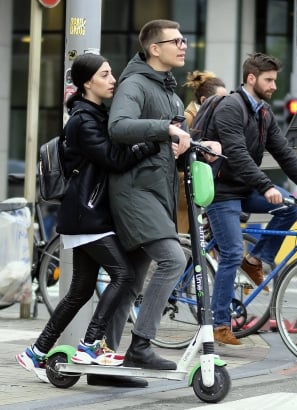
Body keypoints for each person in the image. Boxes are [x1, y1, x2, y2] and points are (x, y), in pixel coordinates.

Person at [15, 53, 159, 381]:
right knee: (124, 276)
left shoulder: (93, 114)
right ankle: (91, 344)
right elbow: (114, 159)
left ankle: (35, 352)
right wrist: (151, 144)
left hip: (85, 213)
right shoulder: (83, 120)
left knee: (80, 291)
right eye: (106, 74)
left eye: (112, 74)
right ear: (87, 83)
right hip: (86, 214)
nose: (113, 80)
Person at [106, 19, 221, 371]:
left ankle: (105, 353)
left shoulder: (169, 92)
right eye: (176, 40)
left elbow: (177, 147)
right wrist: (165, 129)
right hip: (134, 190)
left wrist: (202, 148)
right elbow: (118, 127)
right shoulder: (136, 83)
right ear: (155, 48)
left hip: (158, 192)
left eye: (184, 39)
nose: (184, 45)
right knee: (173, 258)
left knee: (132, 278)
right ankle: (140, 345)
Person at [205, 52, 297, 346]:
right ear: (251, 78)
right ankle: (219, 324)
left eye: (275, 80)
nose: (274, 86)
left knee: (289, 208)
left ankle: (256, 259)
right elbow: (236, 153)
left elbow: (284, 152)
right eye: (269, 80)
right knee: (231, 252)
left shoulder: (263, 113)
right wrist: (264, 185)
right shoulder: (231, 108)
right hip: (221, 191)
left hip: (245, 188)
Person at [177, 71, 227, 234]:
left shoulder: (209, 116)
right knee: (187, 238)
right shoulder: (188, 117)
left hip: (201, 183)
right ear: (205, 100)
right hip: (187, 185)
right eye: (221, 100)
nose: (226, 105)